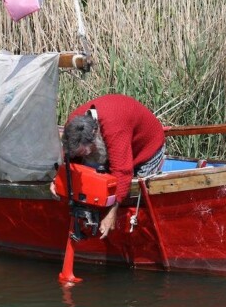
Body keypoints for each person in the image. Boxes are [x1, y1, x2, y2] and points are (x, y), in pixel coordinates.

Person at [53, 94, 166, 239]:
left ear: (94, 136)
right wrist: (58, 180)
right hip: (114, 142)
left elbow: (122, 171)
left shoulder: (114, 128)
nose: (82, 155)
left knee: (131, 188)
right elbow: (69, 154)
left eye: (84, 152)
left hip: (146, 149)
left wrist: (112, 212)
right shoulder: (74, 123)